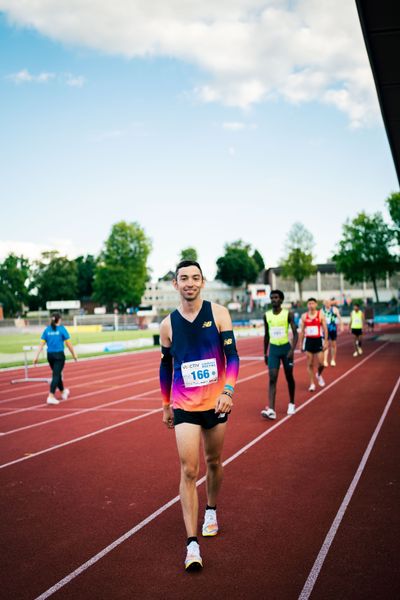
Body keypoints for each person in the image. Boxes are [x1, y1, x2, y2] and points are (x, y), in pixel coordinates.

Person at [159, 260, 239, 572]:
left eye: (195, 277)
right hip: (184, 405)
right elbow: (166, 367)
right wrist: (166, 404)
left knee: (214, 462)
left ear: (202, 282)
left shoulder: (219, 314)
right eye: (183, 278)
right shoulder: (167, 325)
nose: (189, 283)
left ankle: (211, 509)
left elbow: (232, 356)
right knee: (188, 471)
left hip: (216, 403)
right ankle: (192, 543)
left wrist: (228, 391)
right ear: (175, 285)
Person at [261, 289, 298, 419]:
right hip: (274, 350)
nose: (274, 300)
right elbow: (266, 335)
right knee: (272, 377)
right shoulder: (267, 315)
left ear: (281, 300)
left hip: (286, 349)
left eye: (276, 297)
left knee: (289, 376)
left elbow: (295, 333)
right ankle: (271, 409)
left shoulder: (288, 314)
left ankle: (292, 403)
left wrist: (292, 350)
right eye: (272, 298)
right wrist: (265, 353)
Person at [33, 313, 78, 404]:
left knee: (57, 374)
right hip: (59, 356)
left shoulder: (47, 330)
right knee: (56, 375)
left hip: (50, 356)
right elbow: (68, 344)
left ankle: (63, 391)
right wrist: (74, 354)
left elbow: (41, 344)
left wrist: (36, 356)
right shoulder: (62, 329)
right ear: (59, 320)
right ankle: (51, 396)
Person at [299, 298, 328, 392]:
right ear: (307, 305)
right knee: (310, 364)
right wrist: (300, 343)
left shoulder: (320, 315)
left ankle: (318, 374)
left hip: (318, 340)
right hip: (309, 341)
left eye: (312, 303)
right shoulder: (304, 316)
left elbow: (325, 329)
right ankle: (312, 384)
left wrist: (326, 341)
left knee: (322, 363)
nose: (311, 305)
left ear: (316, 304)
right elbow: (302, 331)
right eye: (309, 303)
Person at [321, 298, 343, 367]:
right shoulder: (322, 310)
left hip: (332, 328)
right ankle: (325, 360)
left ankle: (333, 359)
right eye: (325, 302)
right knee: (325, 344)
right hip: (325, 329)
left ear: (330, 302)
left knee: (333, 344)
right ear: (324, 303)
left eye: (328, 302)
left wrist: (341, 325)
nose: (327, 303)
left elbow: (339, 318)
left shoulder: (334, 309)